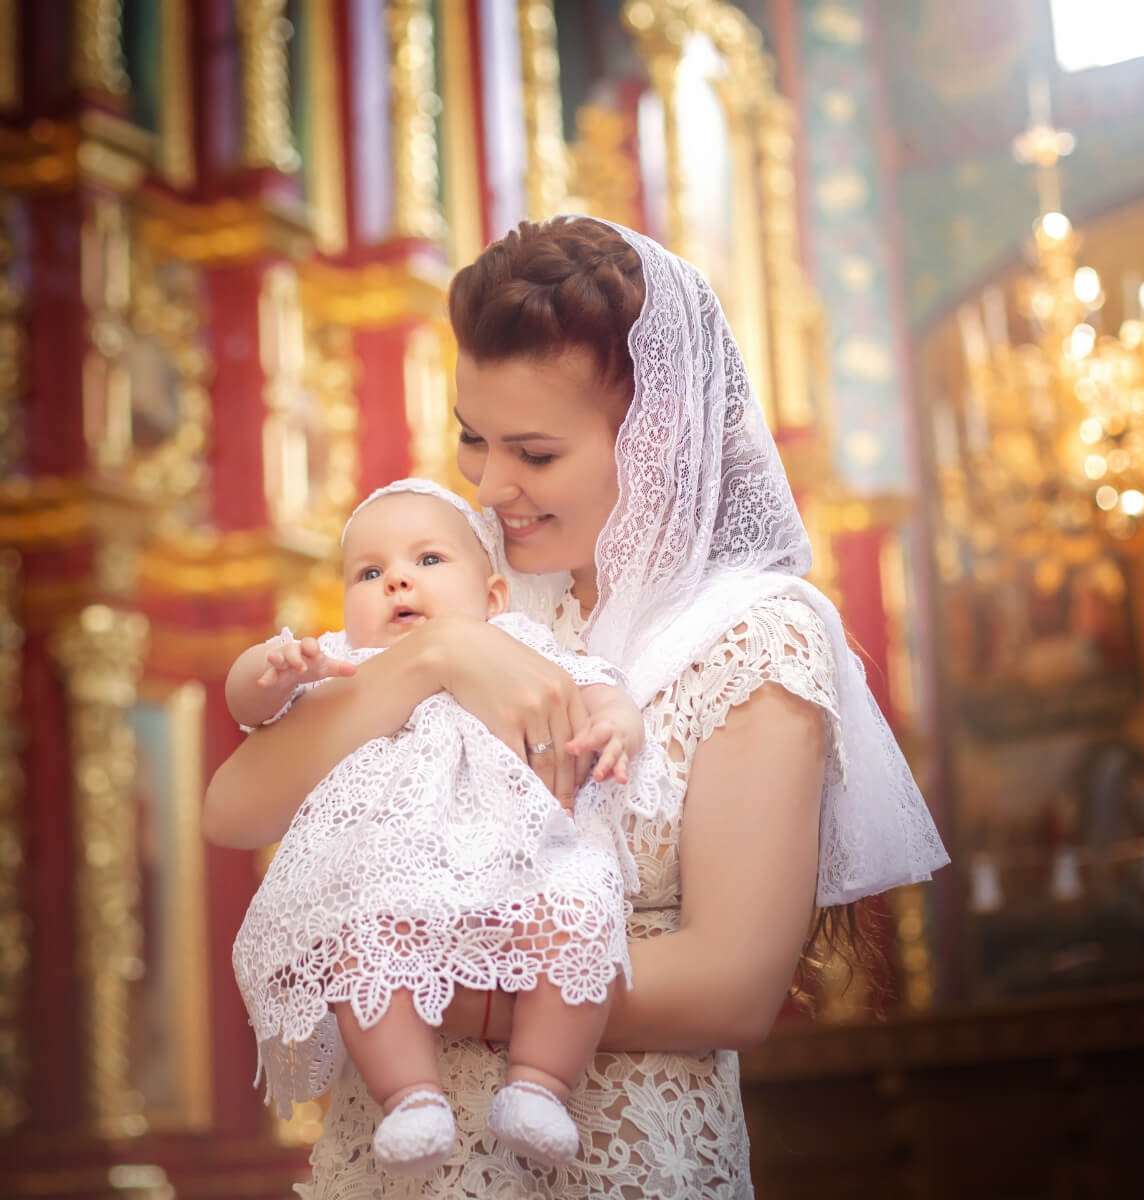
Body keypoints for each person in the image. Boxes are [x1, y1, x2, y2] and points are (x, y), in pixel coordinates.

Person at [204, 216, 949, 1198]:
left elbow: (732, 988)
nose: (491, 485)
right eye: (474, 439)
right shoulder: (465, 593)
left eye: (535, 453)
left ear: (656, 440)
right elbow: (238, 809)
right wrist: (440, 653)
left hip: (617, 1161)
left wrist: (423, 996)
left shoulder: (757, 635)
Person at [225, 478, 673, 1173]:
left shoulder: (520, 643)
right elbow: (249, 712)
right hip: (394, 872)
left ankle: (540, 1084)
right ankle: (410, 1096)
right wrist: (271, 671)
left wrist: (617, 720)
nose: (397, 579)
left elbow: (593, 683)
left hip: (522, 859)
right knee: (362, 946)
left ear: (493, 597)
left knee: (577, 921)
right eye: (371, 573)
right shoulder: (348, 662)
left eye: (428, 560)